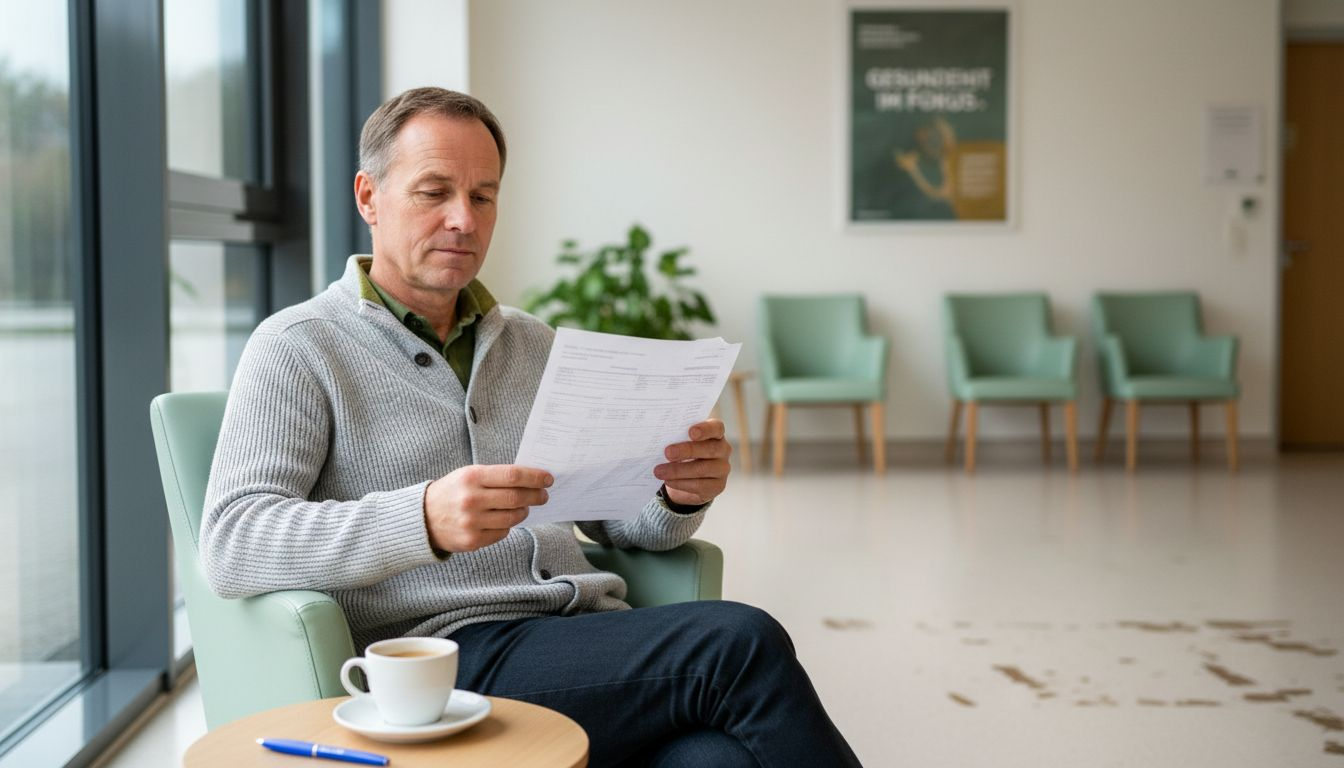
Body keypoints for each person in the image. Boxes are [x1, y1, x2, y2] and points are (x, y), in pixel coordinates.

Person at [201, 87, 860, 767]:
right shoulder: (299, 346)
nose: (463, 219)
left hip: (581, 639)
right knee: (738, 642)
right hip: (449, 659)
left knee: (715, 760)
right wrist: (421, 519)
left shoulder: (533, 343)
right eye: (435, 192)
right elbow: (232, 541)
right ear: (369, 197)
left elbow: (617, 528)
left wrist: (675, 496)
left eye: (483, 197)